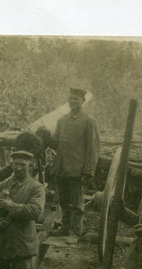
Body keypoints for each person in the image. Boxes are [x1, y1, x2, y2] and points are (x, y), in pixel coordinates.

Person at [50, 87, 100, 236]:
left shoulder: (89, 121)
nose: (72, 101)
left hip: (77, 169)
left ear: (83, 101)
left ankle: (75, 232)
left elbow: (93, 148)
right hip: (61, 168)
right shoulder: (62, 121)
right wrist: (45, 136)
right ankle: (65, 228)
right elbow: (56, 143)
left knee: (77, 202)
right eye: (70, 98)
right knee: (64, 201)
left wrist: (88, 170)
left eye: (76, 99)